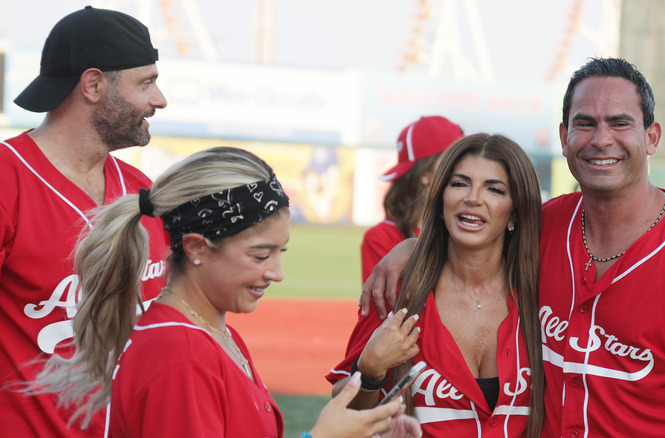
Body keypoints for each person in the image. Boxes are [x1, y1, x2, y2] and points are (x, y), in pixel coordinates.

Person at [359, 58, 665, 437]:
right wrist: (415, 245)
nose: (601, 139)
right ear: (564, 136)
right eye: (585, 123)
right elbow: (475, 234)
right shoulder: (542, 226)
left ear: (652, 137)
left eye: (619, 123)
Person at [26, 146, 422, 438]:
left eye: (279, 252)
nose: (277, 272)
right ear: (197, 247)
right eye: (259, 255)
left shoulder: (216, 333)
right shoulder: (180, 354)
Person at [0, 7, 168, 437]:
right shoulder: (7, 180)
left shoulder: (141, 191)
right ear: (93, 85)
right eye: (146, 82)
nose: (159, 99)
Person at [328, 134, 545, 437]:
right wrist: (370, 373)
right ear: (441, 197)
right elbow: (343, 417)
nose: (472, 197)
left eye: (494, 189)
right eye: (459, 184)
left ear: (516, 212)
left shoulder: (544, 298)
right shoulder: (398, 291)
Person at [361, 116, 463, 282]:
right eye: (454, 158)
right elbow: (384, 307)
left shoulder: (469, 227)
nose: (464, 167)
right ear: (424, 173)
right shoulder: (381, 238)